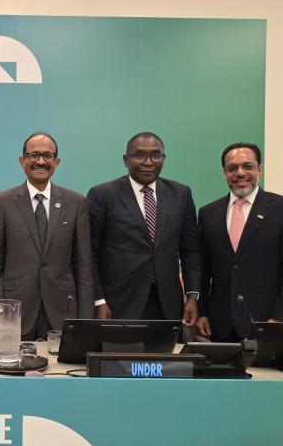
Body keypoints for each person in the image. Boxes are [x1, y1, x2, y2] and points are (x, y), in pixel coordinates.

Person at [0, 132, 94, 340]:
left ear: (57, 161)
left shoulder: (75, 202)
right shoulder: (2, 202)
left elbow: (84, 267)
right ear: (22, 161)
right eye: (34, 155)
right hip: (16, 310)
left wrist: (86, 318)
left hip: (64, 311)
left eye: (48, 156)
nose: (41, 161)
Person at [196, 143, 283, 341]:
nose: (240, 173)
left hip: (268, 322)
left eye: (247, 166)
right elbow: (203, 270)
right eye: (232, 168)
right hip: (220, 324)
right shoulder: (208, 213)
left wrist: (281, 318)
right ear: (225, 173)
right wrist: (202, 311)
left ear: (260, 169)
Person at [86, 132, 201, 324]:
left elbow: (191, 252)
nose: (148, 162)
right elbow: (89, 255)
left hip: (168, 306)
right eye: (139, 155)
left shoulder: (181, 194)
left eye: (156, 155)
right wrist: (99, 300)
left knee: (165, 354)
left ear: (163, 159)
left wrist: (192, 295)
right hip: (118, 304)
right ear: (125, 159)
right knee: (119, 355)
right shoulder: (102, 195)